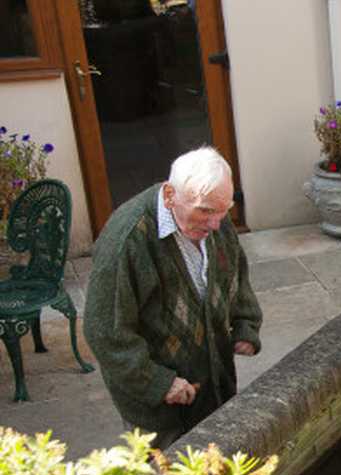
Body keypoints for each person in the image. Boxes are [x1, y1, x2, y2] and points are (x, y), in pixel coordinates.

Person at [85, 146, 262, 450]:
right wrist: (157, 382)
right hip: (158, 411)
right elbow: (105, 332)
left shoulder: (214, 215)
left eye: (224, 210)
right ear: (169, 196)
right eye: (205, 211)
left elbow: (235, 273)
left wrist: (245, 323)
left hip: (214, 385)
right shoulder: (127, 239)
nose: (216, 224)